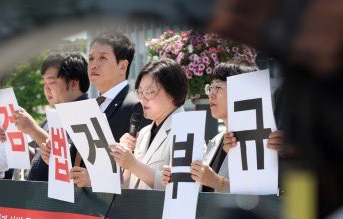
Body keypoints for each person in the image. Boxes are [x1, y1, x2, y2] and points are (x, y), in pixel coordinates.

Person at [161, 60, 284, 192]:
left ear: (242, 91)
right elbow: (203, 187)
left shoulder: (267, 141)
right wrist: (177, 179)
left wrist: (216, 182)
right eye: (210, 88)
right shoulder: (216, 140)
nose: (211, 94)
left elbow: (260, 197)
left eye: (218, 87)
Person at [68, 31, 149, 187]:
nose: (94, 64)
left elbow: (139, 168)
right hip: (78, 203)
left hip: (112, 207)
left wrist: (95, 180)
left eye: (103, 58)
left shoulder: (136, 105)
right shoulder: (88, 107)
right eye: (91, 58)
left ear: (122, 66)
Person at [0, 52, 89, 181]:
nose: (46, 88)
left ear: (74, 83)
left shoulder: (88, 115)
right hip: (37, 197)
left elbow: (69, 161)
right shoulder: (52, 116)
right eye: (44, 83)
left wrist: (32, 129)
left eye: (51, 82)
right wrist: (13, 140)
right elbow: (38, 159)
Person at [108, 59, 187, 190]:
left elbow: (181, 189)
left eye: (150, 92)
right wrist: (123, 159)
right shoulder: (144, 132)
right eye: (140, 92)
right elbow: (128, 185)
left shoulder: (186, 130)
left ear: (173, 93)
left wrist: (133, 164)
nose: (143, 98)